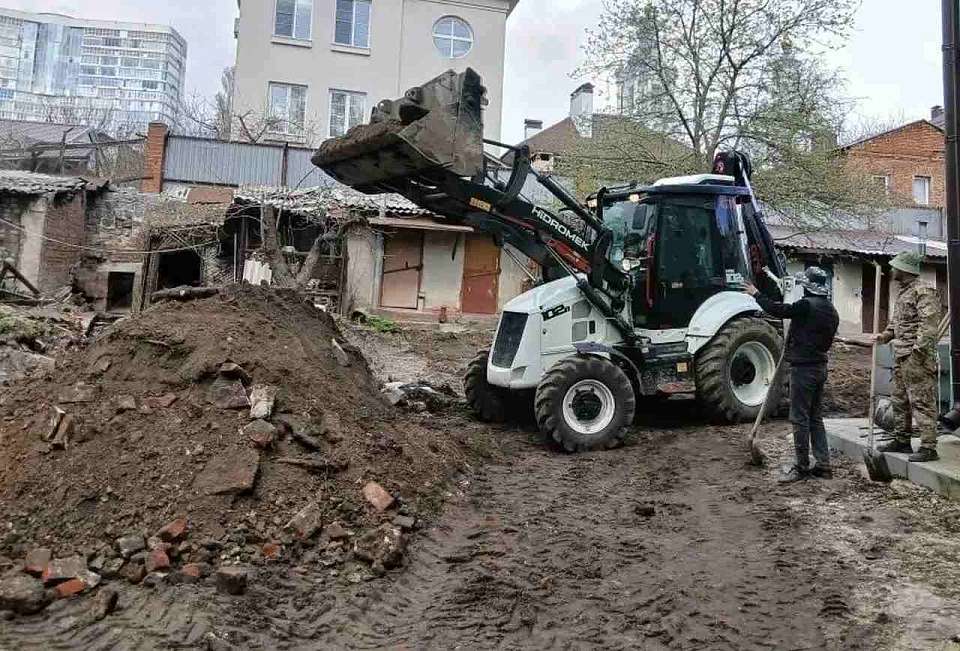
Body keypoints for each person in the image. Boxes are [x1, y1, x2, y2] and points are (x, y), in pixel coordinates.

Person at [744, 267, 840, 482]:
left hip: (803, 370)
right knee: (815, 418)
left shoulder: (806, 305)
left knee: (799, 418)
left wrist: (756, 294)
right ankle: (823, 466)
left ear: (807, 287)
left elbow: (779, 310)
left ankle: (802, 467)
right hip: (820, 368)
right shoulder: (832, 310)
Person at [875, 252, 945, 462]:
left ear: (904, 269)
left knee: (922, 401)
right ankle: (902, 440)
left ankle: (928, 447)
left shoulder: (923, 291)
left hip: (917, 358)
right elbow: (898, 324)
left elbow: (929, 326)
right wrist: (885, 336)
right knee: (900, 399)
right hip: (901, 355)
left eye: (895, 267)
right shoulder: (904, 292)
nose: (891, 270)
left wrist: (918, 352)